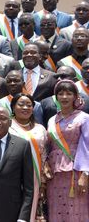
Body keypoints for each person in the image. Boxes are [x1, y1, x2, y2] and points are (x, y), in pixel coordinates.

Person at [45, 80, 89, 221]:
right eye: (61, 93)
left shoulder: (84, 118)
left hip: (76, 172)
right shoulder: (52, 120)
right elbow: (48, 145)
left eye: (69, 93)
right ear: (56, 97)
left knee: (77, 211)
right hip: (55, 173)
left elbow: (88, 146)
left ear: (75, 96)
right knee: (56, 211)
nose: (64, 97)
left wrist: (85, 174)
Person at [9, 93, 49, 222]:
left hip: (35, 177)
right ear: (13, 107)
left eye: (29, 105)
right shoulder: (7, 127)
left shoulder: (41, 129)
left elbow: (44, 156)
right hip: (13, 176)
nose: (25, 108)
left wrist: (43, 181)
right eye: (21, 104)